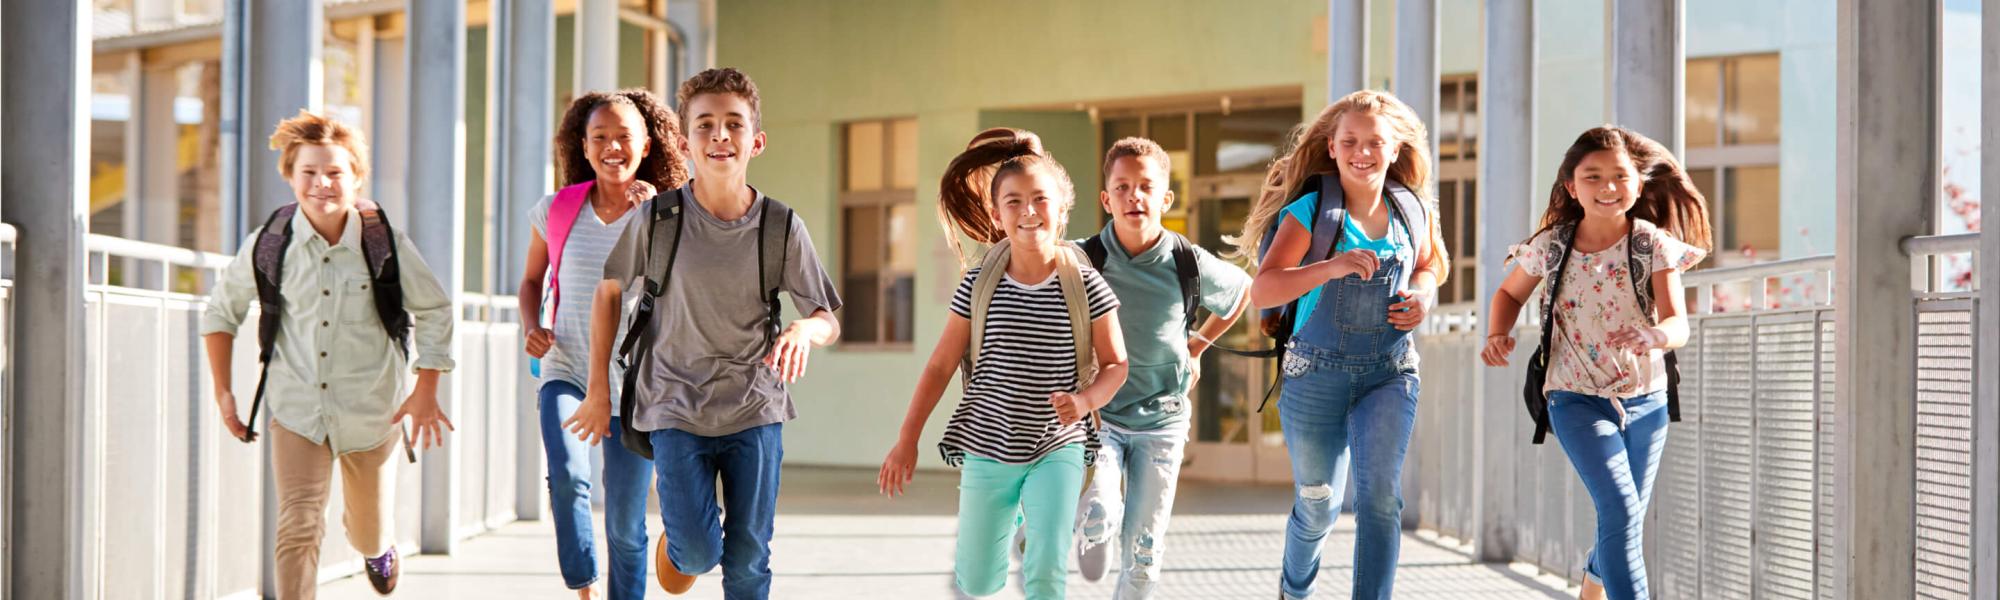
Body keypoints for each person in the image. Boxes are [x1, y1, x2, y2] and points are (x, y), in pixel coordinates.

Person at [570, 68, 843, 600]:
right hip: (673, 405)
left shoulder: (780, 226)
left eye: (734, 124)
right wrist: (600, 388)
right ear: (683, 141)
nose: (720, 136)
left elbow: (827, 316)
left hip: (755, 407)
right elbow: (608, 291)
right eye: (706, 125)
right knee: (697, 552)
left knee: (749, 560)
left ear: (755, 141)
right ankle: (683, 537)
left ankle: (696, 538)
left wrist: (804, 330)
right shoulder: (659, 219)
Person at [202, 110, 456, 598]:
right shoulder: (269, 244)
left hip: (372, 413)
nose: (322, 184)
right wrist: (224, 393)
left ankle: (378, 547)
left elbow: (436, 310)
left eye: (336, 173)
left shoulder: (387, 245)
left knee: (368, 529)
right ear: (291, 178)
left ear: (357, 178)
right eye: (309, 173)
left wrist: (426, 388)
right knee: (297, 525)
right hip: (297, 410)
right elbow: (220, 312)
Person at [878, 128, 1129, 600]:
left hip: (1058, 446)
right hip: (987, 443)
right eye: (1013, 201)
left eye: (1040, 199)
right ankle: (1013, 513)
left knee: (1047, 568)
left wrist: (1085, 400)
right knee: (975, 579)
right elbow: (939, 366)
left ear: (1062, 208)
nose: (1029, 211)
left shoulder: (1086, 285)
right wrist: (906, 440)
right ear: (997, 213)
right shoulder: (979, 285)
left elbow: (1117, 363)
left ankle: (1032, 514)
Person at [1228, 90, 1451, 599]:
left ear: (1395, 149)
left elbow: (1430, 267)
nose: (1363, 152)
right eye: (1350, 141)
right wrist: (1330, 267)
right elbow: (1263, 289)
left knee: (1380, 500)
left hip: (1390, 373)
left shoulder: (1411, 208)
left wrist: (1423, 298)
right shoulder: (1312, 211)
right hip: (1315, 373)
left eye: (1375, 142)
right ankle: (1295, 588)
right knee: (1319, 503)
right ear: (1332, 147)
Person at [1482, 126, 1711, 600]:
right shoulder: (1552, 245)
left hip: (1647, 400)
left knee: (1623, 515)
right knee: (1622, 508)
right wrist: (1497, 332)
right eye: (1593, 177)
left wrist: (1654, 335)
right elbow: (1508, 293)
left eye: (1619, 176)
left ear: (1638, 184)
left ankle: (1592, 580)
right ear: (1571, 186)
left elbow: (1678, 323)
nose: (1608, 187)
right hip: (1574, 398)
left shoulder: (1652, 245)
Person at [519, 89, 688, 600]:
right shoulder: (556, 209)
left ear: (646, 147)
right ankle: (584, 585)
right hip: (566, 367)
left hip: (639, 385)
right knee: (569, 477)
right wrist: (532, 325)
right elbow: (530, 281)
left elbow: (686, 293)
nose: (612, 147)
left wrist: (656, 223)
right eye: (600, 138)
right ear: (584, 147)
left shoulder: (672, 214)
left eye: (624, 138)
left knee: (624, 521)